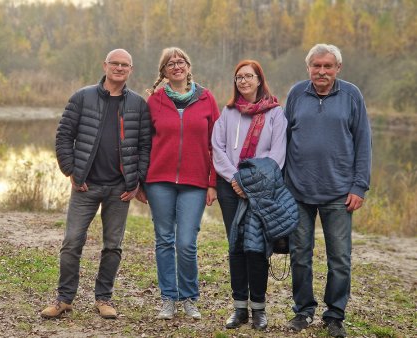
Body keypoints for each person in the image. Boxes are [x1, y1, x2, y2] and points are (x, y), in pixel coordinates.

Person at [41, 49, 151, 320]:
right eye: (115, 63)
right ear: (105, 65)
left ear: (131, 70)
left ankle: (104, 299)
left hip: (120, 189)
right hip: (85, 186)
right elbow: (64, 136)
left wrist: (136, 180)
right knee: (71, 242)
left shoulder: (138, 104)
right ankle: (64, 299)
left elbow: (145, 146)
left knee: (113, 246)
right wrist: (71, 171)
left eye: (125, 65)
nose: (119, 68)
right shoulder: (82, 97)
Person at [284, 44, 372, 337]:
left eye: (328, 66)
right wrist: (281, 186)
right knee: (299, 256)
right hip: (297, 191)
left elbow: (363, 143)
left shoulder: (352, 96)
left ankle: (334, 316)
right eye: (316, 66)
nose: (321, 71)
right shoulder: (297, 94)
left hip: (339, 192)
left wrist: (359, 185)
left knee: (340, 259)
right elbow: (283, 140)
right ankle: (303, 311)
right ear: (308, 67)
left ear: (338, 68)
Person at [138, 47, 219, 320]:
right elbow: (144, 144)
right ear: (163, 71)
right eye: (170, 63)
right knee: (164, 240)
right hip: (159, 181)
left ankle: (189, 298)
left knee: (186, 243)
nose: (176, 66)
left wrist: (213, 183)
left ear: (188, 66)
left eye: (180, 61)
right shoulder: (155, 101)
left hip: (195, 182)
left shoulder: (206, 98)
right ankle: (168, 299)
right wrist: (141, 181)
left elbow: (215, 144)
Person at [212, 60, 289, 330]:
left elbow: (278, 154)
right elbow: (217, 147)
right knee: (236, 246)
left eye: (248, 76)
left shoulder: (275, 113)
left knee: (256, 247)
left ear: (259, 79)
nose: (243, 81)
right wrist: (235, 178)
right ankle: (239, 309)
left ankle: (259, 309)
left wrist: (251, 182)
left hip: (261, 189)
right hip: (230, 187)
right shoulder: (229, 111)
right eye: (238, 77)